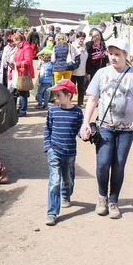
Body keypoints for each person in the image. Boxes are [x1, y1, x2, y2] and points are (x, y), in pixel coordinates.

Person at [81, 38, 133, 219]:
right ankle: (102, 197)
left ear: (126, 55)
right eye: (110, 54)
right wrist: (85, 123)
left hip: (127, 129)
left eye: (117, 54)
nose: (113, 57)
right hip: (105, 127)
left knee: (118, 165)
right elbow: (93, 99)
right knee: (103, 163)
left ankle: (113, 201)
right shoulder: (101, 73)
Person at [43, 80, 83, 226]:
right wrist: (48, 147)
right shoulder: (52, 111)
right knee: (54, 181)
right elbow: (48, 129)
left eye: (59, 95)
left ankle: (66, 194)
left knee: (68, 179)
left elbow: (79, 129)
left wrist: (85, 133)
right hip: (54, 151)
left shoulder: (77, 112)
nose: (56, 98)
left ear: (68, 95)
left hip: (70, 152)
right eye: (55, 95)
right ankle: (52, 213)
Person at [9, 32, 34, 117]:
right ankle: (21, 108)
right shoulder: (19, 48)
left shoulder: (26, 48)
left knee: (23, 92)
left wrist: (16, 63)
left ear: (19, 40)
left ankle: (23, 110)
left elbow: (28, 61)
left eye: (15, 41)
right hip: (18, 72)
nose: (14, 43)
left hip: (23, 73)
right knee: (20, 91)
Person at [71, 31, 88, 107]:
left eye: (83, 39)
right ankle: (68, 101)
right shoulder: (72, 46)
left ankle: (80, 102)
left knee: (81, 88)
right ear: (77, 38)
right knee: (71, 87)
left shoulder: (85, 46)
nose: (82, 40)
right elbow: (71, 56)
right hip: (74, 71)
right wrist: (78, 52)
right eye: (80, 38)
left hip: (82, 70)